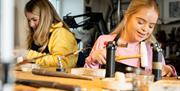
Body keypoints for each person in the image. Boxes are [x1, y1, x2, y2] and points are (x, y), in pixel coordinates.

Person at [84, 0, 177, 77]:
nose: (145, 29)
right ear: (127, 16)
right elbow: (87, 78)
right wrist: (93, 60)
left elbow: (166, 77)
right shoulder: (104, 41)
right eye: (140, 22)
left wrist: (169, 70)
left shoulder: (152, 50)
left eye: (151, 26)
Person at [21, 0, 78, 68]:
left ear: (46, 17)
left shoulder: (61, 34)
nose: (31, 25)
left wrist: (28, 55)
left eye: (35, 20)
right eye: (29, 20)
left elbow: (63, 63)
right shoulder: (36, 35)